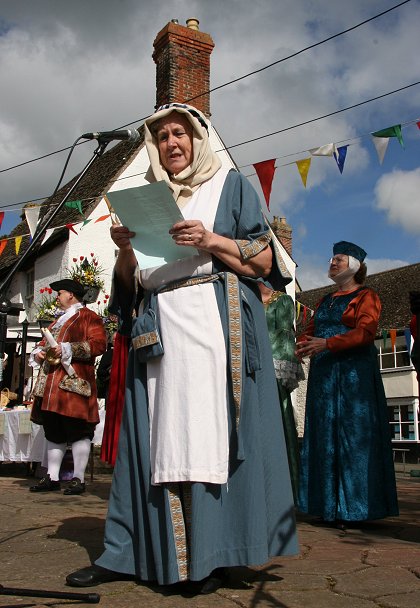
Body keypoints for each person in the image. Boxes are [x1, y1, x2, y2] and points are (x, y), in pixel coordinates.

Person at [67, 103, 298, 593]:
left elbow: (262, 262)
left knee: (217, 436)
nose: (172, 143)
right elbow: (129, 290)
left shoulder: (230, 185)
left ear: (197, 138)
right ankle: (129, 551)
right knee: (157, 441)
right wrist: (126, 250)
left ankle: (219, 552)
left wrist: (211, 239)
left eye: (180, 134)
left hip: (219, 321)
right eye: (162, 137)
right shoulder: (144, 198)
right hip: (161, 326)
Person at [296, 241, 399, 528]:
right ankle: (325, 505)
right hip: (324, 376)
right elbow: (310, 332)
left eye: (338, 259)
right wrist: (297, 348)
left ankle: (354, 508)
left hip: (354, 376)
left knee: (351, 435)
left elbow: (365, 333)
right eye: (331, 259)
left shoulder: (367, 296)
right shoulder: (324, 300)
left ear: (355, 265)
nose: (332, 262)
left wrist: (328, 343)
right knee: (324, 434)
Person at [29, 279, 107, 495]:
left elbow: (99, 345)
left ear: (71, 294)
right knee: (53, 430)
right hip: (51, 386)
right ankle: (52, 477)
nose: (57, 297)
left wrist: (67, 349)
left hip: (74, 384)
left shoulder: (90, 318)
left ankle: (78, 479)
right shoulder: (57, 321)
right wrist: (40, 352)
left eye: (60, 293)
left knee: (79, 430)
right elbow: (41, 345)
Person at [258, 281, 303, 502]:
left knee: (277, 425)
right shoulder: (244, 299)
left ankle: (284, 492)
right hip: (248, 371)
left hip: (272, 372)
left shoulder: (281, 301)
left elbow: (285, 338)